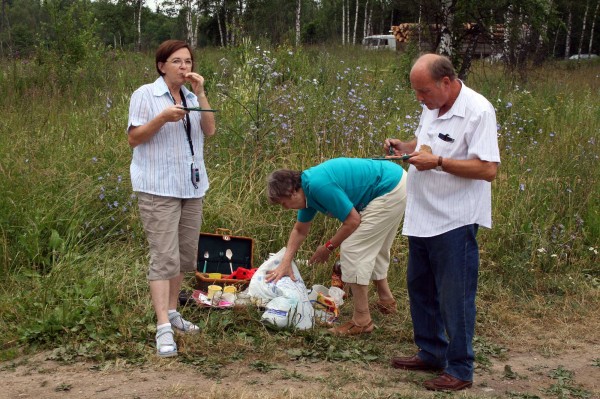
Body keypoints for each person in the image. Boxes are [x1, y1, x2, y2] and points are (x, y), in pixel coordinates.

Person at [384, 53, 500, 391]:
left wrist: (438, 163)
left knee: (455, 295)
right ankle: (431, 351)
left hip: (456, 219)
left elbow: (488, 169)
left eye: (424, 91)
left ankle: (460, 368)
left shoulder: (478, 110)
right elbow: (425, 146)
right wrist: (404, 148)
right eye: (417, 93)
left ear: (446, 82)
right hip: (422, 214)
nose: (420, 99)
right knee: (420, 287)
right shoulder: (432, 106)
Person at [127, 40, 216, 357]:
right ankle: (163, 326)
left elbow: (210, 130)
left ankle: (174, 312)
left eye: (188, 61)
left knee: (184, 255)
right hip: (158, 187)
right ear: (161, 65)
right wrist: (162, 118)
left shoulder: (192, 96)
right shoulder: (145, 95)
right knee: (163, 257)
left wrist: (202, 93)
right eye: (177, 61)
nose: (184, 67)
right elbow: (133, 138)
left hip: (191, 187)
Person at [266, 157, 407, 335]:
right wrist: (285, 262)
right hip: (395, 182)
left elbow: (352, 221)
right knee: (373, 246)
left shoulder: (318, 186)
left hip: (389, 187)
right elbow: (300, 230)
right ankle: (387, 301)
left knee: (353, 248)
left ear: (292, 191)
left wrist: (328, 247)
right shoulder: (308, 191)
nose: (285, 208)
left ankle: (362, 320)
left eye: (283, 202)